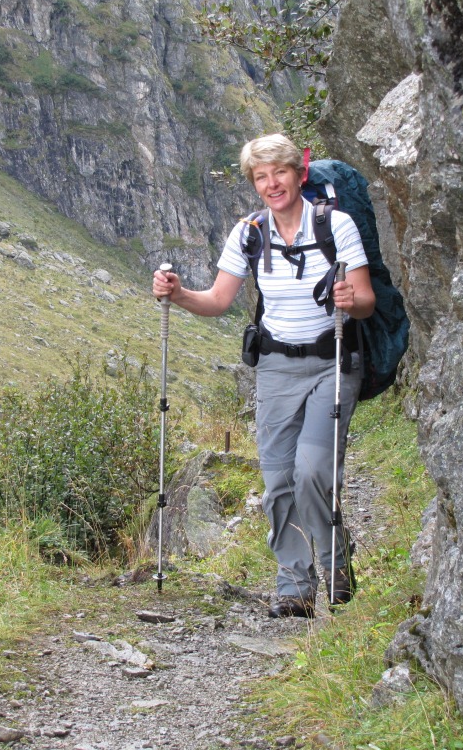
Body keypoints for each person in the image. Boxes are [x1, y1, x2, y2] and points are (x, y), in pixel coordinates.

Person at [152, 133, 375, 619]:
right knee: (278, 481)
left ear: (299, 173)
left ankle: (336, 567)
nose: (272, 184)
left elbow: (365, 300)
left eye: (280, 172)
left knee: (313, 472)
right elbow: (218, 301)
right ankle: (295, 587)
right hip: (274, 368)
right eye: (261, 177)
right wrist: (178, 294)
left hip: (332, 363)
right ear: (254, 183)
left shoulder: (336, 225)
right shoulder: (249, 233)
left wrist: (350, 300)